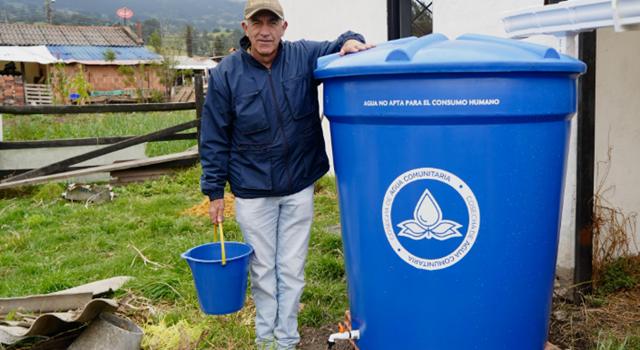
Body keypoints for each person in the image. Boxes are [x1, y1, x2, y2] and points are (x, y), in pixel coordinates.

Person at [199, 0, 372, 348]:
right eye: (257, 23)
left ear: (284, 27)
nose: (265, 30)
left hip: (298, 186)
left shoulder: (302, 56)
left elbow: (343, 40)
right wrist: (215, 191)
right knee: (263, 272)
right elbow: (214, 135)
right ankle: (266, 340)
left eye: (272, 22)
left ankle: (287, 339)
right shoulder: (226, 74)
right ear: (245, 28)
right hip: (252, 189)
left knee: (292, 269)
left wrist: (352, 41)